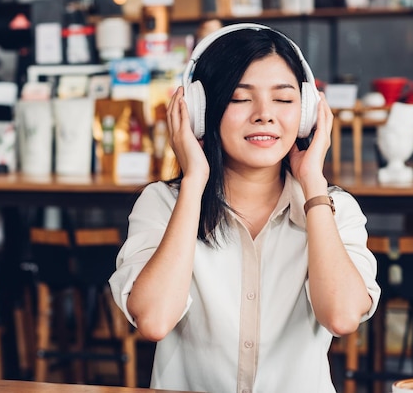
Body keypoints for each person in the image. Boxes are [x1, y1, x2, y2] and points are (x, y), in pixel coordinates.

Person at [108, 23, 380, 393]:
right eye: (239, 98)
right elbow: (154, 321)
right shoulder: (162, 204)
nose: (264, 114)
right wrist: (193, 181)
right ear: (202, 110)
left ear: (307, 115)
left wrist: (313, 182)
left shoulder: (335, 209)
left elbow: (342, 316)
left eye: (284, 100)